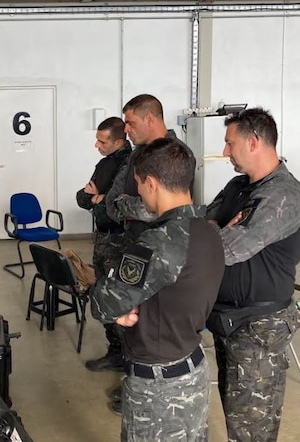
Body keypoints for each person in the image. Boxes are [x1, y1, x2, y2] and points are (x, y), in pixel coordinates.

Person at [91, 137, 225, 442]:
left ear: (150, 183)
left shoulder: (158, 242)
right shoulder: (208, 230)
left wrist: (110, 292)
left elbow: (103, 304)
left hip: (159, 386)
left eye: (138, 183)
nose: (137, 191)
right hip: (192, 366)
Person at [205, 108, 300, 442]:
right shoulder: (237, 186)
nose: (226, 151)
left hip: (259, 328)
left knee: (252, 428)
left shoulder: (282, 197)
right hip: (227, 320)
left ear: (254, 142)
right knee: (234, 410)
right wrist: (216, 230)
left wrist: (216, 233)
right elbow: (202, 224)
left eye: (230, 144)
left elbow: (228, 249)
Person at [103, 93, 196, 413]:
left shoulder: (178, 153)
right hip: (136, 247)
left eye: (130, 122)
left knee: (155, 324)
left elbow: (164, 208)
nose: (125, 129)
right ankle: (132, 381)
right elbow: (112, 203)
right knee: (130, 321)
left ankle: (145, 388)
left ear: (150, 119)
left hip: (166, 254)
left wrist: (130, 207)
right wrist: (132, 207)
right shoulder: (134, 156)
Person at [76, 117, 131, 372]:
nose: (97, 145)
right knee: (101, 292)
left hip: (121, 241)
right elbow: (83, 197)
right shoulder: (105, 164)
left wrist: (100, 198)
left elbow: (116, 206)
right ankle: (115, 352)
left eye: (102, 141)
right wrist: (96, 198)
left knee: (119, 299)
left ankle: (128, 357)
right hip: (104, 237)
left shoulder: (129, 165)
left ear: (119, 142)